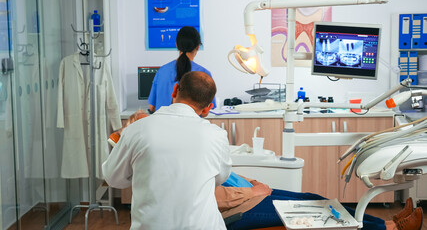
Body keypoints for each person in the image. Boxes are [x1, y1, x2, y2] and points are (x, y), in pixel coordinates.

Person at [103, 71, 232, 230]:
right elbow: (220, 178)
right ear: (208, 108)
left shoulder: (136, 130)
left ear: (175, 90)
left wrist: (142, 171)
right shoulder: (217, 135)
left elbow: (113, 178)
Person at [216, 173, 424, 230]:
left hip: (247, 193)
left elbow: (227, 175)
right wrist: (250, 192)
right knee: (321, 213)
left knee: (316, 200)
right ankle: (389, 229)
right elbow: (214, 196)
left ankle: (388, 223)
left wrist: (253, 183)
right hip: (237, 208)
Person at [148, 26, 216, 113]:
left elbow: (152, 108)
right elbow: (206, 111)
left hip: (162, 124)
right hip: (190, 125)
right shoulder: (203, 74)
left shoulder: (162, 71)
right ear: (198, 47)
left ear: (176, 45)